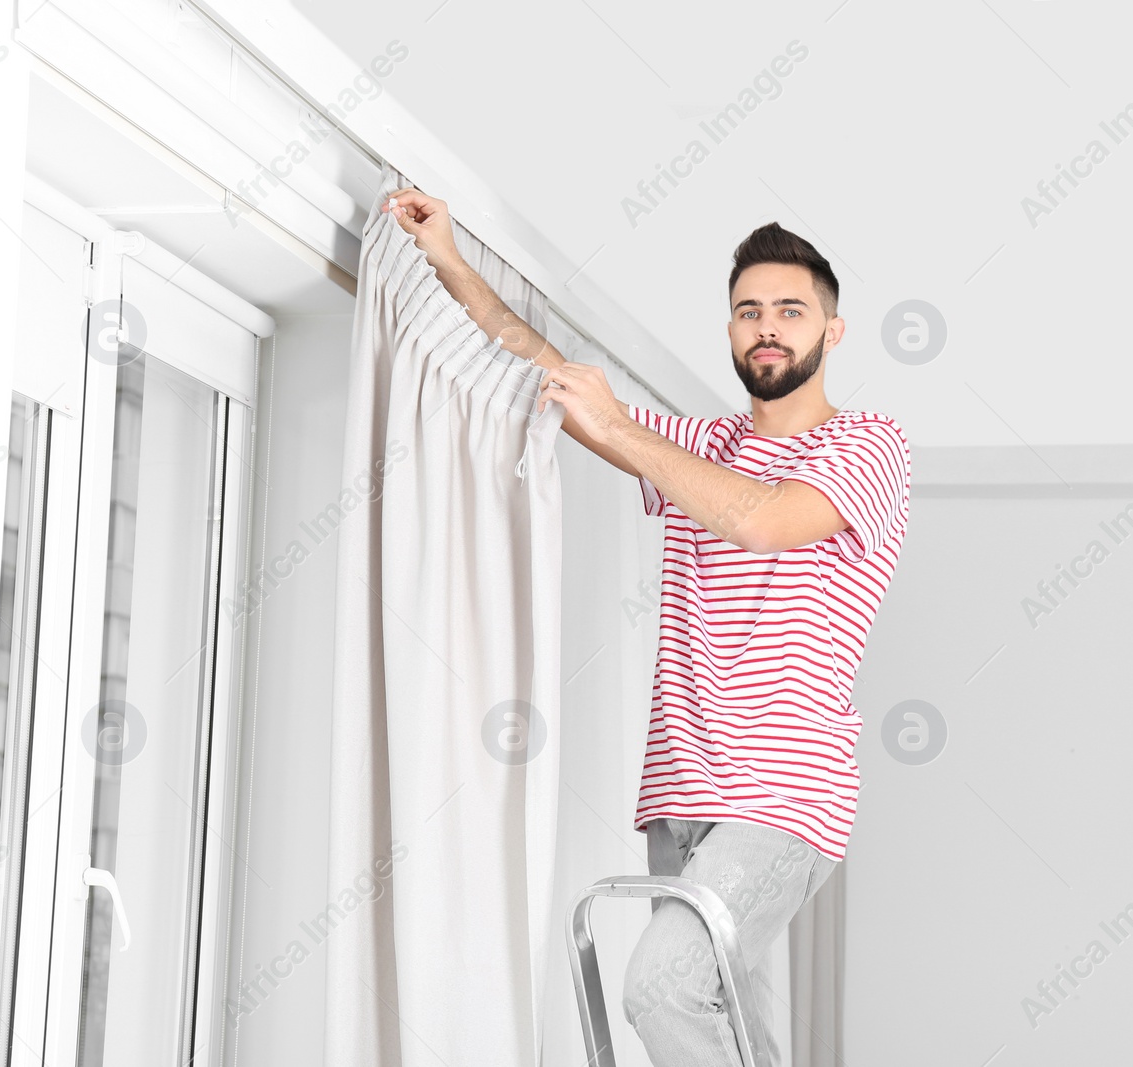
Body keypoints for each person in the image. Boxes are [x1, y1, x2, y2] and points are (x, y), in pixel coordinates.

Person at [386, 189, 912, 1066]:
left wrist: (623, 431)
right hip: (683, 794)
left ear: (833, 330)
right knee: (730, 1020)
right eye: (749, 312)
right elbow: (544, 370)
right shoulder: (703, 445)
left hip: (782, 792)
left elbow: (763, 519)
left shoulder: (866, 443)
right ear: (731, 330)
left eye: (791, 310)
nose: (768, 328)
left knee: (659, 987)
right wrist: (448, 260)